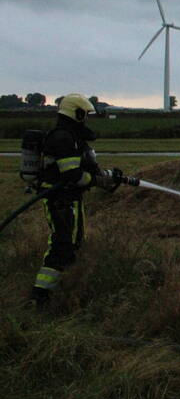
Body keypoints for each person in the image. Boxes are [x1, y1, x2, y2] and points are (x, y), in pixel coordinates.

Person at [30, 94, 118, 306]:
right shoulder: (63, 139)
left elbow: (82, 171)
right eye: (84, 114)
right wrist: (96, 180)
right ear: (75, 113)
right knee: (62, 246)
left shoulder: (72, 137)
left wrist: (103, 176)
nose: (86, 119)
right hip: (61, 200)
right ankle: (40, 297)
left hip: (69, 199)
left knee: (72, 244)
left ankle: (62, 291)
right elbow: (73, 176)